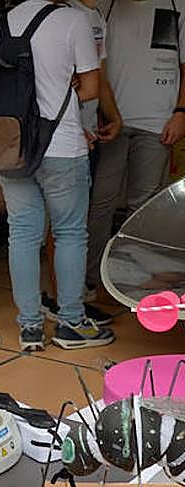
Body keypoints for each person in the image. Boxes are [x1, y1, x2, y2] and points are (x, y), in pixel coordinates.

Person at [0, 0, 115, 351]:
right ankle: (70, 322)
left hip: (12, 146)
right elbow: (90, 88)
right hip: (61, 145)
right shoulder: (73, 20)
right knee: (70, 231)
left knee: (23, 235)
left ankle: (29, 328)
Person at [85, 0, 185, 298]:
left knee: (144, 207)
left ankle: (136, 287)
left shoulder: (177, 3)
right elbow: (95, 68)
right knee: (100, 202)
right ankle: (90, 280)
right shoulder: (103, 6)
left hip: (159, 121)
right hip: (112, 118)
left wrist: (181, 111)